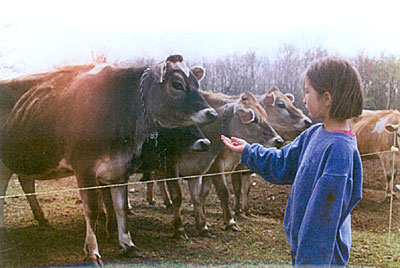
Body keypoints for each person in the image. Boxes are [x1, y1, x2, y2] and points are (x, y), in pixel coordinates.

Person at [221, 56, 364, 267]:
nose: (303, 99)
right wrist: (248, 151)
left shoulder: (339, 151)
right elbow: (283, 164)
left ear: (327, 98)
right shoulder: (315, 133)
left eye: (308, 92)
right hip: (306, 251)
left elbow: (322, 223)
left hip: (321, 258)